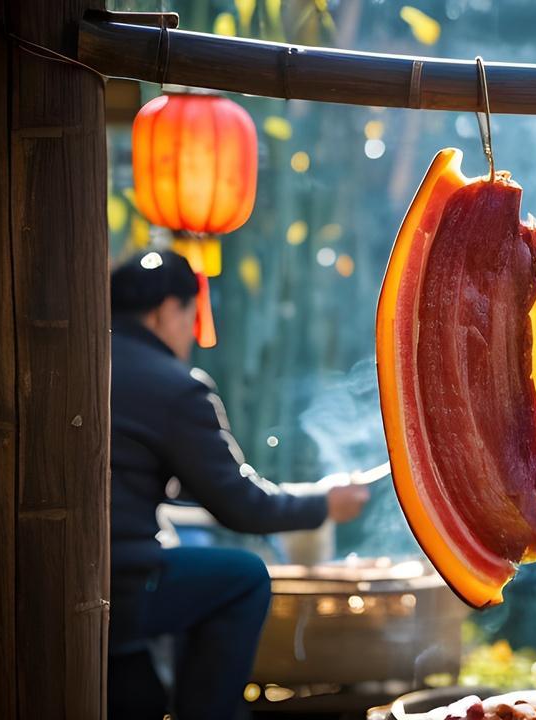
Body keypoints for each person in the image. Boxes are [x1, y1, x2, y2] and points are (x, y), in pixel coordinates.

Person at [106, 249, 370, 719]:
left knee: (140, 690)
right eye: (191, 315)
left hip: (51, 575)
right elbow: (241, 506)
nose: (191, 333)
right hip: (115, 585)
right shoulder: (173, 386)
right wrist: (324, 503)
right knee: (242, 578)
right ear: (168, 309)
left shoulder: (85, 363)